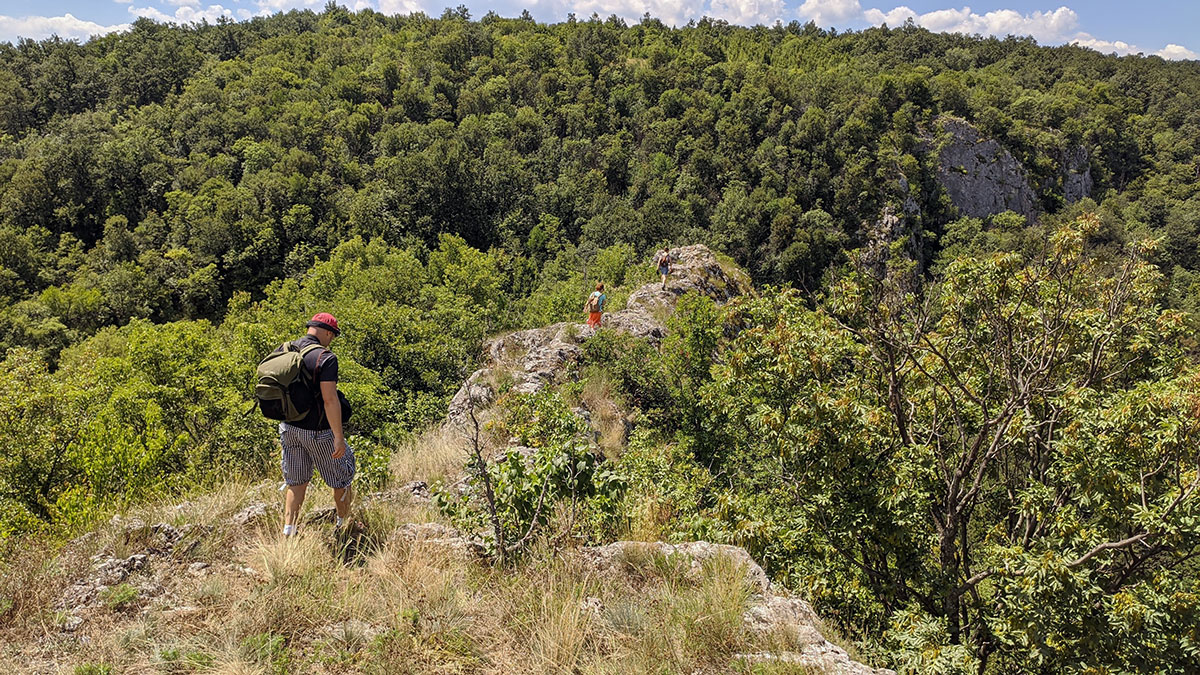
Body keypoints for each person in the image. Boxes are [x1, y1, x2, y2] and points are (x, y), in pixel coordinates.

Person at [277, 312, 355, 536]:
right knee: (341, 478)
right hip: (318, 432)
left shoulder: (286, 349)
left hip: (288, 428)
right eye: (333, 336)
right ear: (328, 333)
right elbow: (330, 400)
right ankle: (343, 525)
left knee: (296, 481)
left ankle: (289, 531)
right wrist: (338, 437)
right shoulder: (325, 358)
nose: (332, 340)